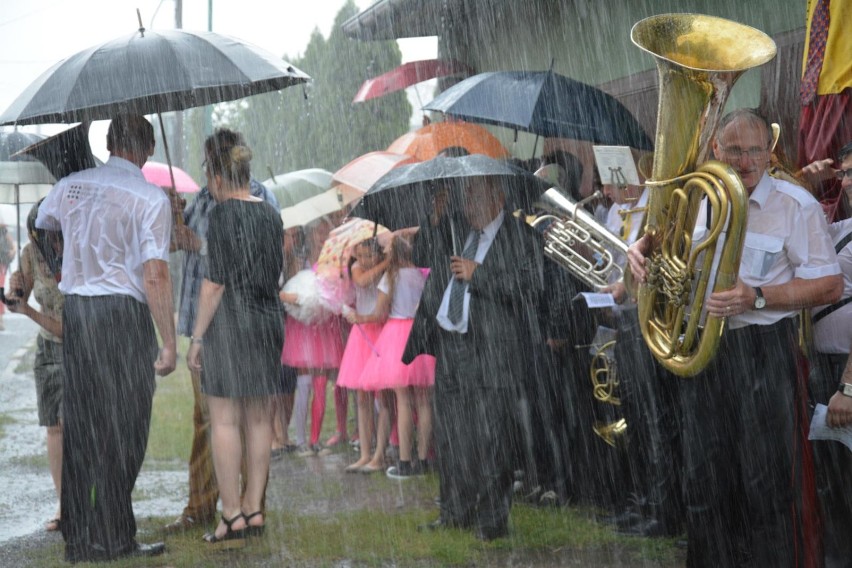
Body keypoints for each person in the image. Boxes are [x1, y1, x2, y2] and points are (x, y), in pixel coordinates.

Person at [628, 108, 842, 567]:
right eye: (734, 150)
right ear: (715, 150)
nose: (745, 161)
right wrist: (640, 250)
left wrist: (758, 297)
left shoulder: (795, 204)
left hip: (764, 353)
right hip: (704, 350)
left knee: (768, 487)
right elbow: (657, 242)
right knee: (704, 483)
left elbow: (829, 285)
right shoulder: (695, 196)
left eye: (755, 151)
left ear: (770, 151)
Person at [36, 114, 175, 562]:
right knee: (126, 426)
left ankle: (78, 536)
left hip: (79, 314)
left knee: (82, 424)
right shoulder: (150, 197)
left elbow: (44, 219)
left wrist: (73, 254)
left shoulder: (72, 184)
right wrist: (168, 340)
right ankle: (112, 535)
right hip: (122, 315)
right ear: (148, 149)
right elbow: (154, 274)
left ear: (110, 142)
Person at [405, 175, 546, 540]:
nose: (466, 203)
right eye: (464, 196)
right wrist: (433, 219)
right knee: (453, 434)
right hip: (452, 344)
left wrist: (478, 275)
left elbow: (530, 287)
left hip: (493, 349)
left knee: (492, 436)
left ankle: (492, 520)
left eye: (473, 195)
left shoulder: (521, 235)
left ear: (496, 196)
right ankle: (454, 510)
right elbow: (421, 259)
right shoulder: (454, 229)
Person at [167, 128, 280, 532]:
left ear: (216, 179)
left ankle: (230, 513)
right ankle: (254, 508)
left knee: (225, 421)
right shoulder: (270, 212)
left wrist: (197, 338)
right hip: (267, 323)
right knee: (259, 421)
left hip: (229, 323)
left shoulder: (221, 215)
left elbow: (214, 285)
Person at [601, 171, 684, 538]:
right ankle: (645, 502)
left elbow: (662, 264)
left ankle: (665, 509)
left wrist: (628, 281)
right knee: (636, 412)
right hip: (632, 321)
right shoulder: (631, 215)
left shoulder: (661, 211)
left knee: (656, 417)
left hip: (653, 319)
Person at [804, 141, 852, 568]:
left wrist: (849, 387)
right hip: (826, 369)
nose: (849, 181)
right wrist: (806, 180)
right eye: (848, 172)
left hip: (847, 375)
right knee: (832, 481)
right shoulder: (843, 226)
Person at [6, 201, 64, 532]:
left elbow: (68, 328)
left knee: (78, 427)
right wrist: (15, 290)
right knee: (54, 428)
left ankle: (87, 501)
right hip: (47, 350)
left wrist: (27, 311)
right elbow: (23, 293)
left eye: (57, 235)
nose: (53, 244)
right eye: (46, 237)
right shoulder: (31, 252)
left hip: (78, 348)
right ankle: (63, 504)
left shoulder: (79, 253)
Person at [358, 236, 435, 479]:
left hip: (397, 336)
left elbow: (379, 313)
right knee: (423, 400)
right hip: (420, 334)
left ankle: (404, 459)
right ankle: (423, 459)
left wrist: (358, 317)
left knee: (403, 400)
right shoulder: (423, 274)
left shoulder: (390, 277)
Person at [337, 238, 389, 472]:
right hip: (362, 334)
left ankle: (380, 453)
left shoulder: (389, 273)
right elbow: (362, 280)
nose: (363, 260)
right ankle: (365, 453)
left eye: (369, 255)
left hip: (381, 331)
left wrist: (387, 265)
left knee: (384, 397)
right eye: (359, 255)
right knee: (362, 398)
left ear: (377, 253)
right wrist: (385, 262)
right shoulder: (359, 268)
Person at [0, 220, 16, 330]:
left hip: (1, 265)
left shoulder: (4, 233)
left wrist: (11, 253)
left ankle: (0, 319)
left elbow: (13, 248)